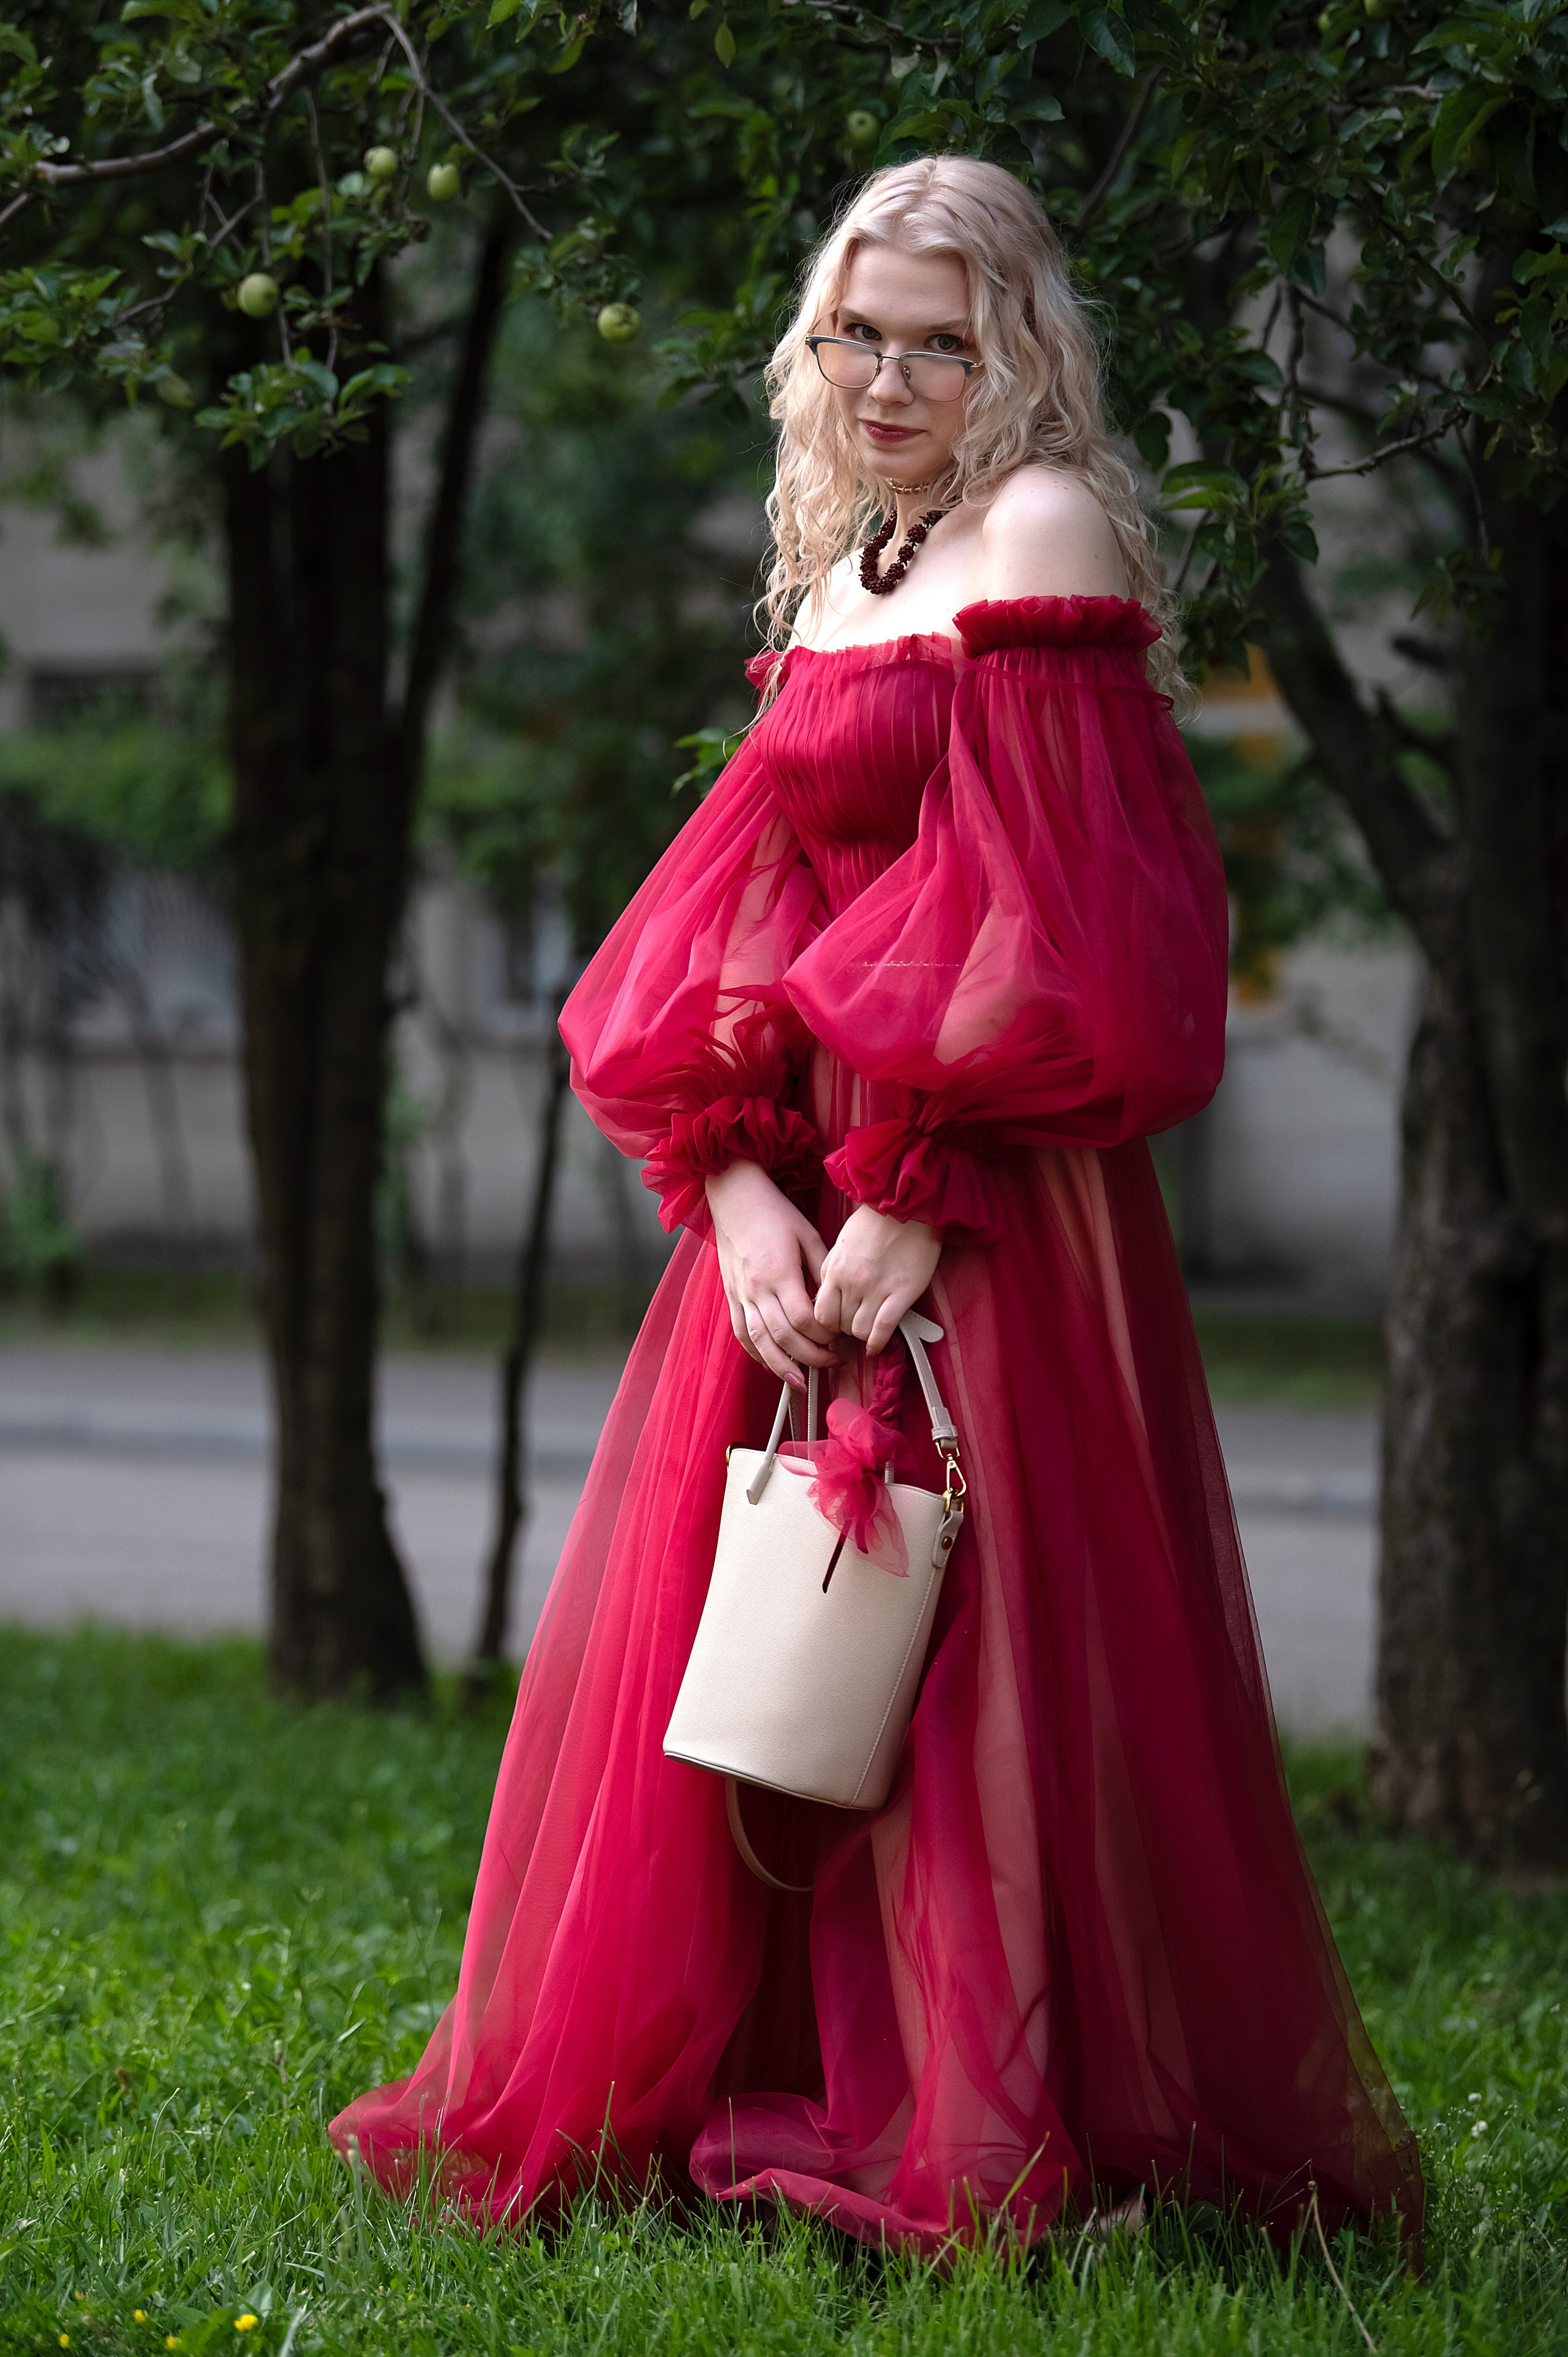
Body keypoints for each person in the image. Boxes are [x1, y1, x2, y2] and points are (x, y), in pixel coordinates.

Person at [332, 154, 1423, 2255]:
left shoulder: (1041, 529)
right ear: (813, 346)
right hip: (809, 1182)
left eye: (941, 336)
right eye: (860, 333)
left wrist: (915, 1190)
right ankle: (786, 2073)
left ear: (1015, 344)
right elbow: (733, 916)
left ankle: (992, 2120)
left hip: (981, 1190)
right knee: (777, 1639)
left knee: (970, 1645)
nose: (894, 374)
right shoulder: (851, 560)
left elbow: (1088, 930)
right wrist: (733, 1186)